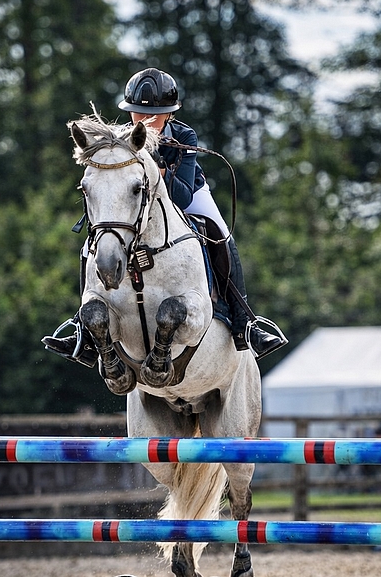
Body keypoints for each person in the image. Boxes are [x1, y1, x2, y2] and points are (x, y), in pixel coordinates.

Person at [43, 68, 286, 364]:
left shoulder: (184, 135)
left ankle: (244, 324)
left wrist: (157, 171)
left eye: (156, 115)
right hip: (139, 201)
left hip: (188, 193)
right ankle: (82, 330)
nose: (146, 120)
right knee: (91, 246)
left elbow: (182, 196)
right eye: (138, 113)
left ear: (170, 114)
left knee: (222, 235)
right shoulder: (122, 140)